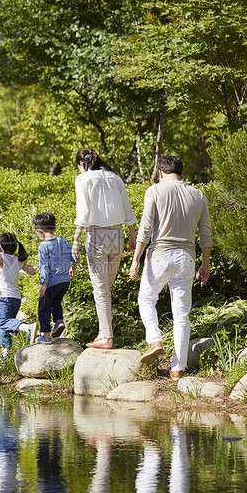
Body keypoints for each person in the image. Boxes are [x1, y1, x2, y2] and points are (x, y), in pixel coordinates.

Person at [129, 156, 212, 380]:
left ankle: (154, 339)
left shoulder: (154, 191)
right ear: (181, 174)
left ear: (160, 173)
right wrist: (205, 264)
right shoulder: (198, 195)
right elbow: (206, 235)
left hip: (160, 255)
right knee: (181, 314)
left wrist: (136, 258)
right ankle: (177, 368)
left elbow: (146, 227)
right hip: (187, 258)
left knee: (146, 299)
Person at [73, 148, 137, 350]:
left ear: (82, 164)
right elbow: (127, 208)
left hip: (97, 236)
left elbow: (83, 213)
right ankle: (103, 332)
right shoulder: (115, 178)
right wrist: (132, 234)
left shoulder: (83, 179)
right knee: (105, 287)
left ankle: (107, 337)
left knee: (100, 288)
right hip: (118, 235)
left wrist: (76, 241)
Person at [0, 233, 38, 358]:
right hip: (15, 298)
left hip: (4, 297)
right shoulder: (17, 260)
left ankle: (28, 328)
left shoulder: (1, 258)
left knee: (4, 322)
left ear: (1, 246)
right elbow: (32, 271)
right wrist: (22, 268)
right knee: (3, 325)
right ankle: (4, 354)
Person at [33, 212, 75, 343]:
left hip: (52, 282)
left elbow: (44, 266)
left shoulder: (44, 246)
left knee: (44, 307)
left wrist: (44, 284)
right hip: (65, 281)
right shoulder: (64, 241)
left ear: (39, 231)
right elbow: (74, 254)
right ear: (55, 228)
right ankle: (59, 321)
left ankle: (45, 336)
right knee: (55, 303)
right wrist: (73, 267)